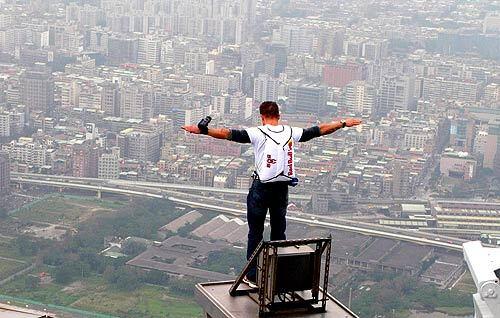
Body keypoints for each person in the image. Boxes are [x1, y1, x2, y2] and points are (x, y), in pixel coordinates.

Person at [182, 101, 362, 286]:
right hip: (281, 188)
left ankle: (252, 276)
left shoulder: (257, 132)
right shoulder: (290, 131)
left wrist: (203, 130)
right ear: (278, 115)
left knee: (255, 233)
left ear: (262, 117)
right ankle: (278, 275)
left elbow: (227, 134)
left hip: (261, 188)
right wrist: (342, 123)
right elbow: (319, 130)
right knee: (278, 232)